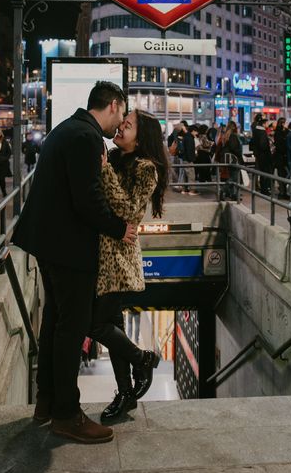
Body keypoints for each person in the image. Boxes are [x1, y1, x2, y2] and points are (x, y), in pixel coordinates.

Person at [12, 81, 137, 444]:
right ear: (113, 105)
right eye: (121, 113)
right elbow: (88, 199)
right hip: (68, 247)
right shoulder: (87, 138)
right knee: (72, 326)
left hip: (47, 242)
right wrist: (119, 228)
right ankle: (67, 414)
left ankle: (47, 401)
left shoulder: (66, 128)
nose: (118, 126)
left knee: (55, 321)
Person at [90, 109, 169, 423]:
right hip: (101, 255)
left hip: (119, 263)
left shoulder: (146, 168)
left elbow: (129, 209)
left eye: (129, 124)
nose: (122, 125)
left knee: (93, 325)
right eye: (122, 121)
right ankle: (125, 395)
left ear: (142, 136)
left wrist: (106, 172)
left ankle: (143, 358)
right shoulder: (113, 156)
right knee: (113, 326)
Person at [218, 120, 243, 200]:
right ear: (234, 128)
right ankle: (223, 190)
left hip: (228, 159)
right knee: (234, 177)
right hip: (233, 159)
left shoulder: (226, 135)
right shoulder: (233, 136)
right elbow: (234, 148)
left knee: (232, 176)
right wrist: (239, 154)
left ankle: (233, 195)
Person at [251, 116, 273, 195]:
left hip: (259, 155)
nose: (267, 124)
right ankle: (265, 189)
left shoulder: (256, 131)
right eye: (267, 123)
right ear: (264, 124)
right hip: (264, 156)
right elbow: (263, 145)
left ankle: (263, 188)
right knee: (265, 173)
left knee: (261, 172)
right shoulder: (262, 132)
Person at [273, 117, 289, 199]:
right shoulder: (281, 132)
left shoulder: (279, 132)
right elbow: (280, 146)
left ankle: (283, 191)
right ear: (283, 123)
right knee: (283, 175)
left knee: (283, 174)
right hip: (282, 157)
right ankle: (283, 192)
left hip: (280, 157)